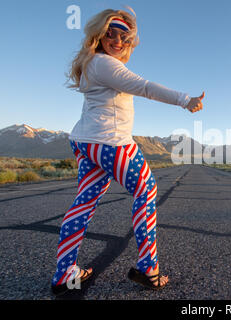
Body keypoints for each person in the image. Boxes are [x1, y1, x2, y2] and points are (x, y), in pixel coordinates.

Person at [51, 8, 204, 296]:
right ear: (99, 34)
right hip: (110, 142)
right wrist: (186, 100)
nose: (118, 40)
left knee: (83, 204)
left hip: (86, 142)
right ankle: (148, 269)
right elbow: (144, 87)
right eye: (111, 33)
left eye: (125, 36)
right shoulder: (105, 64)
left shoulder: (91, 64)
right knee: (146, 189)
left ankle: (65, 273)